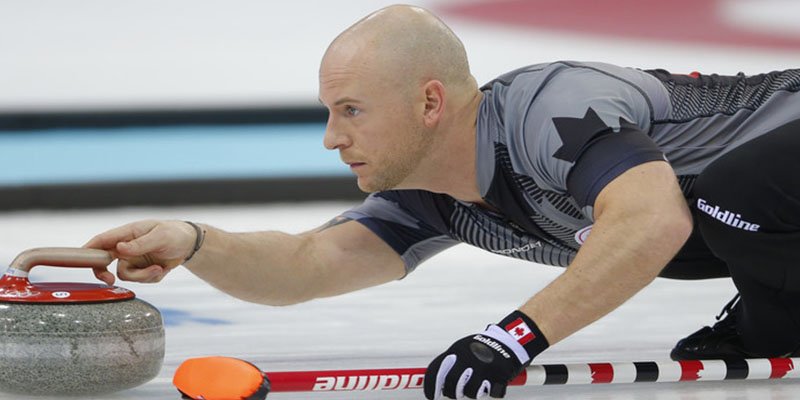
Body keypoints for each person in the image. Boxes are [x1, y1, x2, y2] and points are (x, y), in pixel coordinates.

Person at [84, 4, 800, 400]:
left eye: (351, 110)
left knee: (719, 203)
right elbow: (307, 265)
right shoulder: (431, 197)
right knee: (717, 222)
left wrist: (512, 339)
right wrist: (195, 241)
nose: (332, 138)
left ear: (430, 103)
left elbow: (652, 218)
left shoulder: (550, 109)